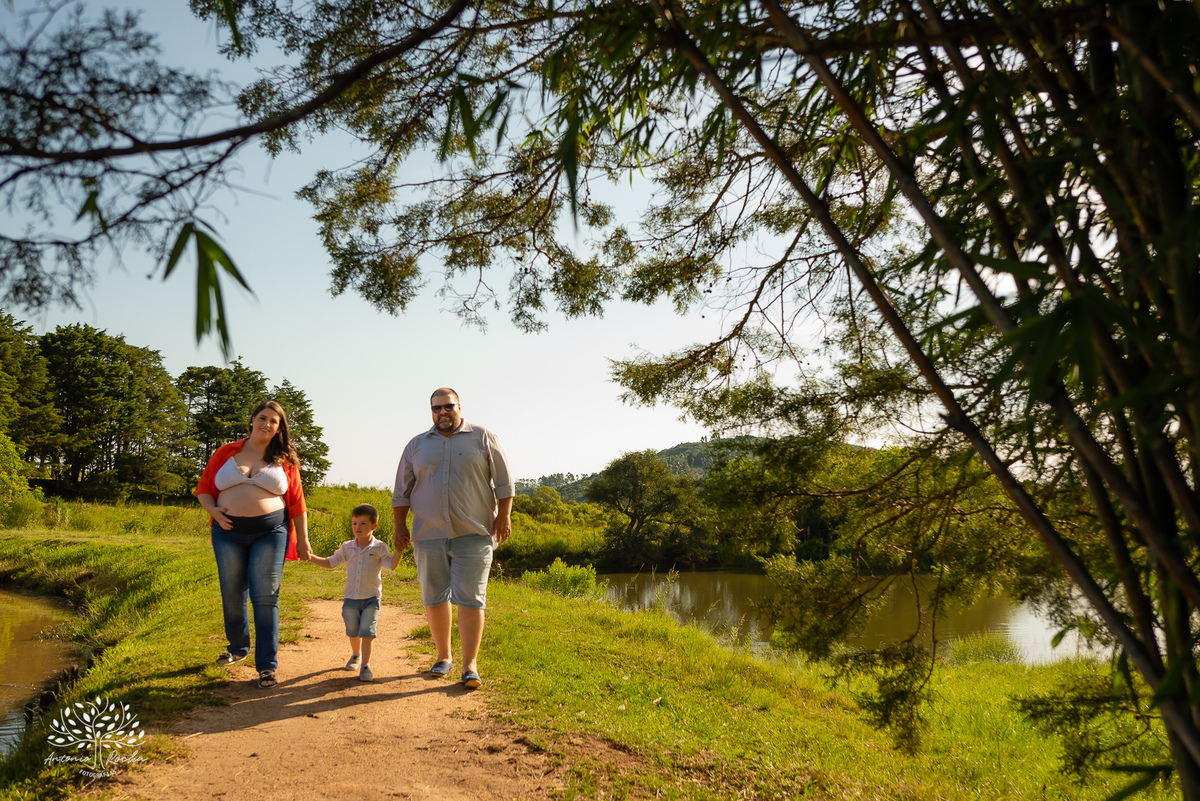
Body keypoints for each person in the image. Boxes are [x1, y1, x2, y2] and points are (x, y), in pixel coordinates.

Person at [392, 387, 513, 689]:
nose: (442, 413)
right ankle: (443, 656)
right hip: (427, 534)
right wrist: (399, 526)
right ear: (430, 412)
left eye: (448, 407)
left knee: (471, 599)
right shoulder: (416, 445)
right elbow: (401, 490)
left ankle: (469, 665)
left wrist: (504, 515)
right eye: (436, 409)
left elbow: (504, 481)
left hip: (473, 533)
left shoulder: (483, 437)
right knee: (434, 597)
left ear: (459, 407)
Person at [195, 400, 311, 690]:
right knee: (233, 594)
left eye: (274, 421)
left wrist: (305, 539)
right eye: (263, 418)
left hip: (270, 533)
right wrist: (214, 513)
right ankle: (237, 649)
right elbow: (204, 489)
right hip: (228, 533)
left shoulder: (284, 459)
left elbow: (297, 503)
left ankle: (267, 667)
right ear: (252, 420)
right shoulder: (226, 452)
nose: (267, 424)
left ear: (279, 428)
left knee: (265, 597)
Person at [305, 503, 401, 681]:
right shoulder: (347, 547)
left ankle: (366, 665)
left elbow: (391, 565)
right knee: (353, 630)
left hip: (372, 598)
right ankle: (356, 655)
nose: (358, 527)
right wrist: (311, 558)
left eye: (363, 524)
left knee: (367, 631)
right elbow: (330, 562)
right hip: (351, 598)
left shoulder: (380, 547)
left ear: (374, 527)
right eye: (354, 523)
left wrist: (399, 550)